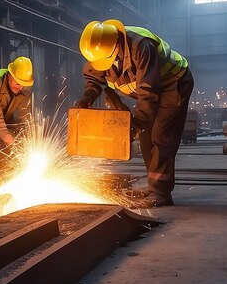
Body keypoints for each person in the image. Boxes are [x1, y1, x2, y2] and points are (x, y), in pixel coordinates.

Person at [75, 20, 194, 208]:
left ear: (116, 44)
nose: (101, 65)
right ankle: (154, 186)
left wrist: (136, 124)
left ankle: (161, 193)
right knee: (146, 138)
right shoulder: (99, 49)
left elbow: (149, 93)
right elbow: (94, 78)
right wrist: (88, 97)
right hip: (151, 92)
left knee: (161, 137)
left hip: (173, 84)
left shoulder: (141, 47)